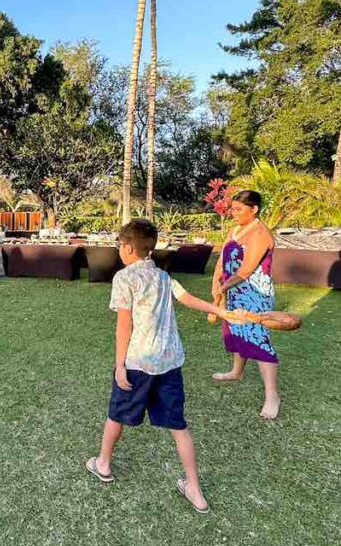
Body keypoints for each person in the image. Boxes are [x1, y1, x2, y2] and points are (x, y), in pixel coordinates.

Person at [85, 219, 235, 514]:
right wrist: (219, 310)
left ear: (128, 248)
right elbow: (188, 299)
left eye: (119, 245)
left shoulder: (125, 278)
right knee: (178, 426)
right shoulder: (163, 277)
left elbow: (124, 325)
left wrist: (119, 364)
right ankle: (195, 488)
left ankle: (103, 464)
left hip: (139, 361)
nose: (119, 250)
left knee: (116, 414)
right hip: (169, 361)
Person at [211, 190, 282, 420]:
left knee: (257, 337)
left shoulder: (260, 233)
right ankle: (236, 372)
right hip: (233, 291)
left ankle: (272, 395)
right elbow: (222, 259)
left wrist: (225, 286)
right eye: (233, 208)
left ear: (255, 209)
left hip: (255, 294)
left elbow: (246, 270)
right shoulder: (235, 230)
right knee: (235, 330)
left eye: (239, 209)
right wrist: (216, 284)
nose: (234, 213)